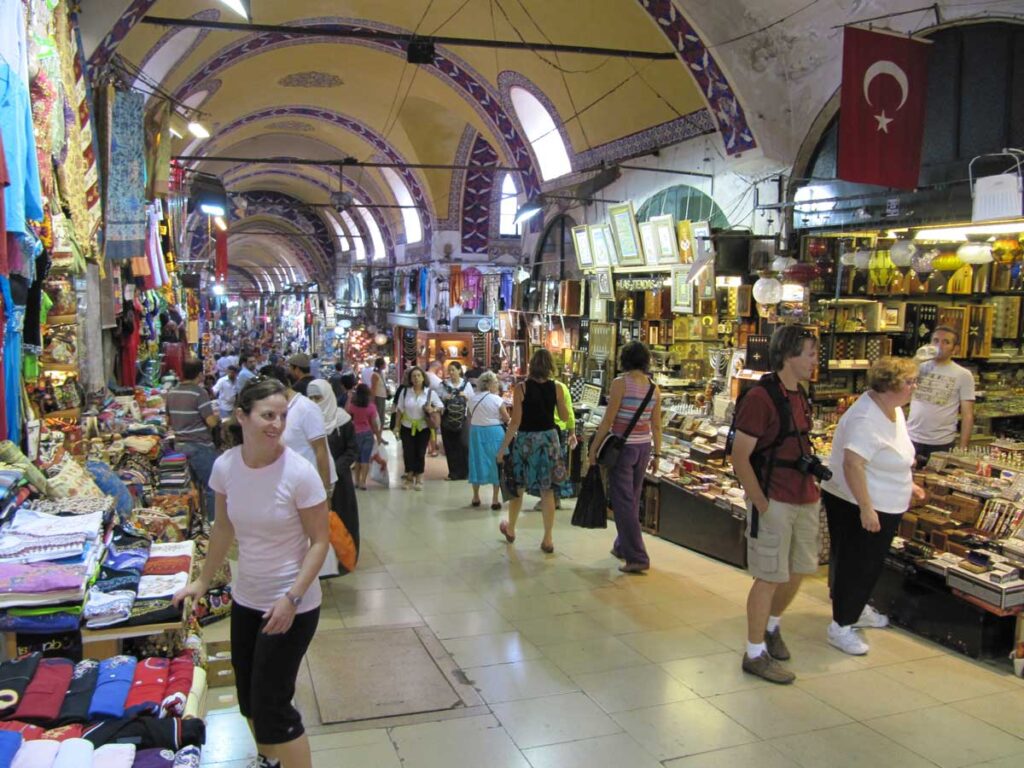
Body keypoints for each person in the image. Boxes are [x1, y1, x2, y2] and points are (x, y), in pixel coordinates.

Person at [173, 377, 328, 768]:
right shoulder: (226, 467)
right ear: (242, 416)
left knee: (274, 705)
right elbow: (223, 528)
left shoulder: (299, 473)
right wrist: (203, 581)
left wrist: (291, 599)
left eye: (281, 416)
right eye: (267, 415)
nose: (276, 424)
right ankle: (269, 759)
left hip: (293, 604)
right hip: (247, 599)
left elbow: (320, 543)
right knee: (249, 698)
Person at [729, 325, 822, 685]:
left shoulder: (801, 395)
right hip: (775, 498)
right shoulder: (761, 398)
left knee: (798, 569)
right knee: (768, 576)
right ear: (789, 355)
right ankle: (754, 653)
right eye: (810, 353)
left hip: (804, 496)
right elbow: (741, 456)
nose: (815, 361)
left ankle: (771, 625)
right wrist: (762, 504)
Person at [822, 357, 925, 655]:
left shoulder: (893, 410)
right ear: (889, 386)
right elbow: (853, 464)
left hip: (883, 500)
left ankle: (856, 608)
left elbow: (893, 454)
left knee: (869, 563)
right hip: (856, 501)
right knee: (857, 563)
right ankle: (841, 625)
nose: (913, 387)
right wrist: (866, 507)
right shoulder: (866, 418)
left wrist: (908, 482)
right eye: (909, 382)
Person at [587, 342, 661, 574]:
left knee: (622, 501)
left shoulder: (620, 384)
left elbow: (608, 421)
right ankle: (622, 545)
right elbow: (656, 425)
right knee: (633, 497)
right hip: (644, 448)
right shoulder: (654, 388)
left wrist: (594, 448)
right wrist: (657, 453)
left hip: (623, 449)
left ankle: (637, 556)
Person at [497, 349, 569, 553]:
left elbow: (515, 422)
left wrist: (502, 449)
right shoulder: (557, 388)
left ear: (531, 366)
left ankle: (510, 528)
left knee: (517, 487)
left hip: (527, 441)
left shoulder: (521, 388)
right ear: (550, 367)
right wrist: (559, 400)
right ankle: (548, 538)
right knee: (548, 491)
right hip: (549, 440)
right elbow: (563, 417)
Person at [309, 379, 359, 571]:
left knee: (343, 518)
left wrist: (335, 468)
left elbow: (352, 449)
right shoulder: (307, 421)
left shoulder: (343, 419)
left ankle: (346, 559)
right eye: (311, 398)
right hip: (314, 480)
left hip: (340, 480)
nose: (315, 402)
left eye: (318, 397)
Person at [906, 325, 975, 464]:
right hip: (911, 438)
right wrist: (915, 361)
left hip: (942, 442)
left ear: (954, 349)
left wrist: (962, 449)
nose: (939, 345)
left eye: (946, 342)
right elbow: (897, 386)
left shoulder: (963, 375)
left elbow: (967, 415)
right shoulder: (918, 367)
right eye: (936, 340)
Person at [263, 366, 336, 493]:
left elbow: (321, 450)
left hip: (312, 484)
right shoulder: (279, 410)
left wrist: (326, 490)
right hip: (292, 483)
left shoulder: (306, 409)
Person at [166, 359, 220, 520]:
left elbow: (168, 422)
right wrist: (216, 417)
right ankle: (212, 525)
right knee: (212, 487)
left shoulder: (172, 393)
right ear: (199, 374)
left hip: (180, 446)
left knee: (191, 489)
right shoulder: (199, 393)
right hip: (199, 446)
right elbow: (210, 421)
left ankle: (197, 522)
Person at [395, 366, 442, 491]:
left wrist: (433, 409)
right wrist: (396, 426)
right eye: (413, 376)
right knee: (408, 452)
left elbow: (441, 407)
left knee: (420, 452)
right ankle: (409, 476)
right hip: (407, 426)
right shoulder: (405, 392)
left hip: (423, 427)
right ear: (410, 379)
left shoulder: (430, 393)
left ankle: (420, 476)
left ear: (423, 378)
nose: (416, 378)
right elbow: (399, 410)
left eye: (418, 376)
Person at [467, 371, 509, 510]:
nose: (497, 384)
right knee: (496, 464)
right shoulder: (497, 399)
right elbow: (506, 418)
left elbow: (469, 415)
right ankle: (495, 499)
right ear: (490, 384)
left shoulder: (472, 399)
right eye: (496, 382)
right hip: (494, 433)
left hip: (476, 433)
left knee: (476, 461)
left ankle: (475, 496)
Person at [440, 362, 474, 481]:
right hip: (447, 419)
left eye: (453, 370)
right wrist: (444, 398)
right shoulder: (443, 385)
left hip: (463, 419)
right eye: (449, 370)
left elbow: (472, 401)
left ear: (460, 370)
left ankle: (465, 472)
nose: (451, 372)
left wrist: (466, 396)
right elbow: (437, 401)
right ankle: (453, 473)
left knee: (464, 445)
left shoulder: (467, 385)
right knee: (450, 446)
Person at [346, 383, 382, 491]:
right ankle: (363, 482)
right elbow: (374, 424)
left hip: (355, 434)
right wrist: (378, 436)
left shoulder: (353, 405)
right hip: (367, 434)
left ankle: (356, 481)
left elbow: (346, 412)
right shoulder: (371, 407)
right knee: (365, 459)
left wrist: (349, 398)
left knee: (357, 459)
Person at [370, 357, 388, 429]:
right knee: (379, 417)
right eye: (384, 363)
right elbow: (373, 388)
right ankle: (378, 435)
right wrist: (373, 400)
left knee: (381, 417)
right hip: (378, 397)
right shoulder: (375, 375)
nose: (385, 365)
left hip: (382, 396)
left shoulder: (382, 373)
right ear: (381, 365)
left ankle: (380, 435)